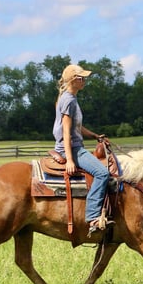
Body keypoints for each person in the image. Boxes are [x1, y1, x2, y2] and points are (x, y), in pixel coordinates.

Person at [53, 64, 110, 236]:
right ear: (72, 80)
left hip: (74, 145)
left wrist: (94, 136)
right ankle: (92, 216)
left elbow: (77, 127)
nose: (84, 80)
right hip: (71, 148)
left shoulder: (70, 98)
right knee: (102, 173)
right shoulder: (69, 100)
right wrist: (70, 159)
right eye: (81, 77)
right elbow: (66, 131)